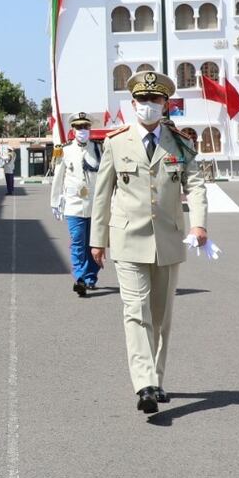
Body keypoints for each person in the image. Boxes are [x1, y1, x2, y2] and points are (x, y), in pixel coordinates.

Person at [89, 71, 209, 415]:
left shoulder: (180, 143)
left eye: (155, 100)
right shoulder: (115, 142)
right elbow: (102, 195)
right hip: (127, 237)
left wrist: (199, 224)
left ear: (165, 104)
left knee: (160, 317)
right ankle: (143, 384)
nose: (148, 106)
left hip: (168, 239)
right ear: (133, 104)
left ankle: (156, 379)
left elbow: (196, 184)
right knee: (135, 311)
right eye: (142, 100)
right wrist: (97, 241)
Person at [50, 113, 102, 297]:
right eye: (79, 127)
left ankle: (90, 277)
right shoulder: (64, 150)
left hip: (95, 205)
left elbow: (105, 177)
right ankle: (79, 278)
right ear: (73, 130)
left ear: (90, 129)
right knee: (78, 242)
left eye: (85, 127)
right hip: (74, 205)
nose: (82, 131)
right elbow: (58, 177)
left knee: (94, 243)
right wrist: (55, 202)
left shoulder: (98, 149)